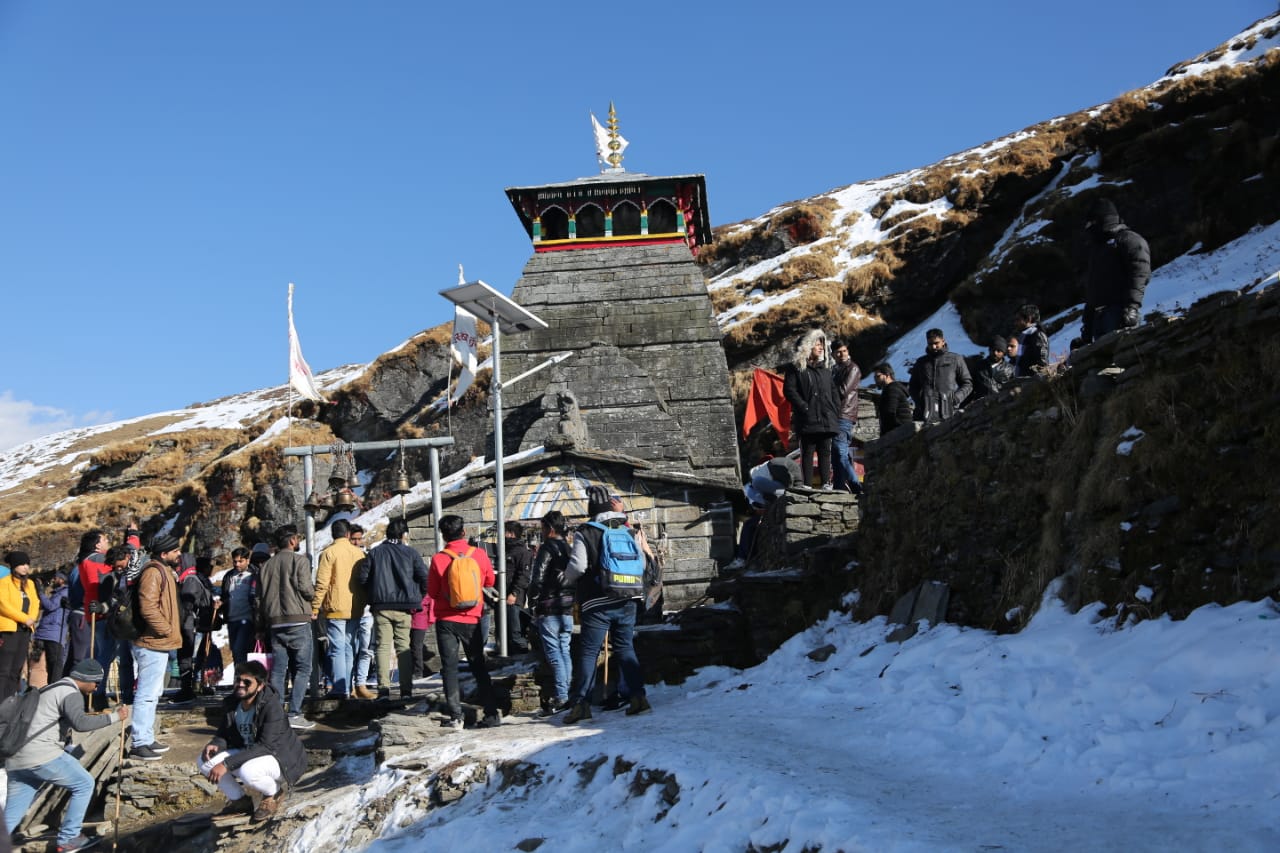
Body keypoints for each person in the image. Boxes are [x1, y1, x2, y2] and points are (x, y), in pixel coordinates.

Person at [3, 660, 129, 853]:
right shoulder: (70, 692)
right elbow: (80, 723)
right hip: (41, 754)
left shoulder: (52, 688)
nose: (96, 688)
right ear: (85, 679)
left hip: (16, 758)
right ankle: (69, 839)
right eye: (96, 682)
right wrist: (115, 717)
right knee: (84, 783)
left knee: (13, 812)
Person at [562, 485, 650, 724]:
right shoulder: (626, 530)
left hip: (597, 601)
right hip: (627, 598)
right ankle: (638, 697)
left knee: (589, 652)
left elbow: (578, 566)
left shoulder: (586, 531)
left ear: (590, 508)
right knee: (625, 648)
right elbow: (641, 565)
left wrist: (566, 577)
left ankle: (581, 704)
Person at [198, 660, 307, 824]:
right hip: (250, 752)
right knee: (204, 761)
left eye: (247, 682)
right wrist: (216, 744)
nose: (240, 685)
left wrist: (226, 764)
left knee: (248, 772)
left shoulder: (271, 706)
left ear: (260, 685)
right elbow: (223, 734)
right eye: (238, 680)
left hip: (279, 758)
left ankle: (273, 794)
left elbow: (266, 746)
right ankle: (240, 801)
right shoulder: (232, 703)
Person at [427, 515, 500, 730]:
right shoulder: (478, 554)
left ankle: (456, 717)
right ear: (464, 532)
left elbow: (432, 591)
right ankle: (491, 713)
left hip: (446, 620)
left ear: (443, 535)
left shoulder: (439, 559)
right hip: (473, 618)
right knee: (478, 665)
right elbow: (490, 581)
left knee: (449, 668)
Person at [358, 517, 428, 699]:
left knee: (382, 647)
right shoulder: (411, 553)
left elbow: (363, 578)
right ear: (404, 534)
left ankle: (383, 690)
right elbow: (425, 578)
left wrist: (373, 595)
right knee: (403, 646)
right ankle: (406, 690)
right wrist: (416, 597)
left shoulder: (375, 553)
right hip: (405, 608)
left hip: (381, 607)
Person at [129, 535, 182, 761]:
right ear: (164, 554)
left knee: (153, 693)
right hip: (152, 642)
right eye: (175, 550)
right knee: (146, 694)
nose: (178, 554)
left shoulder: (161, 571)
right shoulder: (153, 572)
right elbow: (148, 607)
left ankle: (147, 738)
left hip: (157, 642)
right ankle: (139, 741)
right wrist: (166, 630)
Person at [257, 528, 316, 729]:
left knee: (279, 671)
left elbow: (259, 598)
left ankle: (276, 714)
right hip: (298, 619)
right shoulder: (300, 561)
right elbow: (306, 590)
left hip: (275, 622)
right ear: (292, 540)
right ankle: (295, 713)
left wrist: (261, 624)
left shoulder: (265, 566)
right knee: (302, 668)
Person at [1078, 197, 1151, 346]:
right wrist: (1088, 323)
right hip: (1099, 316)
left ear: (1102, 220)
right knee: (1104, 364)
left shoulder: (1129, 240)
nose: (1089, 227)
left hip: (1118, 311)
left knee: (1122, 359)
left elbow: (1140, 274)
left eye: (1091, 222)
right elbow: (1093, 288)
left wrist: (1132, 307)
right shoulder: (1097, 249)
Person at [310, 519, 367, 699]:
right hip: (356, 606)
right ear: (348, 534)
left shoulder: (328, 553)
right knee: (350, 647)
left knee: (336, 648)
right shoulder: (359, 553)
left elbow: (322, 583)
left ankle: (339, 688)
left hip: (335, 607)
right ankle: (348, 686)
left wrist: (315, 606)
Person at [527, 510, 574, 714]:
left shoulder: (548, 548)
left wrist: (534, 602)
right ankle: (569, 693)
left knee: (554, 654)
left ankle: (562, 697)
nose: (542, 531)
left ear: (550, 528)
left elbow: (537, 578)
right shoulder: (569, 548)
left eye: (543, 528)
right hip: (567, 606)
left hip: (549, 606)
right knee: (565, 651)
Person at [782, 328, 840, 489]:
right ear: (808, 346)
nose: (821, 347)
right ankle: (807, 485)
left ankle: (826, 484)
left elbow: (833, 392)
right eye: (817, 343)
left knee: (825, 451)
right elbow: (789, 390)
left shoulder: (825, 370)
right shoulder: (796, 368)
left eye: (822, 344)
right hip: (807, 417)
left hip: (826, 417)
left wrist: (835, 410)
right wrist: (804, 407)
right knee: (807, 451)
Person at [908, 328, 973, 425]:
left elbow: (967, 383)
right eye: (930, 344)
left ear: (943, 341)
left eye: (936, 343)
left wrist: (956, 398)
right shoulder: (921, 362)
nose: (933, 347)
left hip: (949, 412)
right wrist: (920, 401)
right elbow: (913, 386)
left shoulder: (955, 359)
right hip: (924, 414)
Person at [0, 552, 40, 702]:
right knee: (4, 668)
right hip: (8, 630)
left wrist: (31, 619)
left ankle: (9, 702)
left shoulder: (29, 584)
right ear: (14, 566)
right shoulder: (4, 582)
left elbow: (35, 602)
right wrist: (24, 618)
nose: (25, 567)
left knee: (16, 669)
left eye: (27, 564)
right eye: (22, 564)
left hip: (24, 631)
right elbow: (3, 605)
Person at [830, 340, 865, 495]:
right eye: (838, 352)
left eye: (844, 351)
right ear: (833, 354)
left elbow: (842, 390)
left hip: (844, 414)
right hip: (834, 415)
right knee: (836, 455)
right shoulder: (834, 370)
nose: (842, 354)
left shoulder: (853, 368)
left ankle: (856, 486)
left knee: (840, 452)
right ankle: (838, 487)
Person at [29, 569, 70, 689]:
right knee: (44, 665)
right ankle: (42, 688)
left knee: (55, 664)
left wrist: (41, 592)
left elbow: (50, 606)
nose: (53, 580)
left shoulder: (65, 592)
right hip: (45, 632)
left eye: (56, 578)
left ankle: (53, 689)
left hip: (54, 634)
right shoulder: (57, 593)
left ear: (62, 580)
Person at [222, 547, 257, 667]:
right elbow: (225, 595)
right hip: (232, 619)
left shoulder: (254, 575)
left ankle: (243, 677)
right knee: (236, 652)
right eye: (235, 561)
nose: (237, 564)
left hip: (246, 618)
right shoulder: (229, 576)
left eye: (240, 561)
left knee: (239, 648)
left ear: (247, 560)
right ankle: (239, 678)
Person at [503, 521, 534, 654]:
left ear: (511, 533)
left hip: (514, 597)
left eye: (504, 532)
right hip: (503, 595)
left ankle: (522, 660)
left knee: (515, 632)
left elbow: (524, 575)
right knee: (505, 632)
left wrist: (514, 593)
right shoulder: (505, 550)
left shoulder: (522, 552)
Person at [872, 363, 914, 436]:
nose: (875, 379)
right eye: (875, 377)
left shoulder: (892, 390)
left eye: (878, 376)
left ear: (887, 375)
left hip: (900, 433)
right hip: (901, 431)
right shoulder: (891, 389)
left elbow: (890, 414)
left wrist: (886, 435)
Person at [1012, 304, 1050, 377]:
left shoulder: (1038, 335)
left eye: (1018, 320)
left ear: (1028, 319)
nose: (1015, 323)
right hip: (1021, 382)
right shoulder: (1024, 335)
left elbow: (1042, 363)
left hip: (1031, 383)